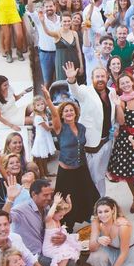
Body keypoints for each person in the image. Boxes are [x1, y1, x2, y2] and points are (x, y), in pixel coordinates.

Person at [42, 86, 99, 231]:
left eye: (71, 110)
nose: (69, 112)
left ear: (75, 113)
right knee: (65, 200)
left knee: (90, 195)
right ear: (62, 114)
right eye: (66, 111)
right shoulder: (60, 127)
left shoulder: (81, 128)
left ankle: (93, 219)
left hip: (81, 168)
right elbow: (54, 115)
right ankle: (67, 225)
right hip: (66, 172)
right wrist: (48, 99)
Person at [6, 179, 79, 266]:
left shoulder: (47, 209)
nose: (49, 198)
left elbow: (57, 224)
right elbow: (4, 218)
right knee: (69, 262)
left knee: (72, 254)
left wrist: (63, 237)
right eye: (45, 195)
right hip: (33, 256)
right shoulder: (21, 210)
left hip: (48, 251)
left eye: (50, 195)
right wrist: (10, 199)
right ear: (34, 194)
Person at [64, 62, 116, 197]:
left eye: (103, 76)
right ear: (92, 78)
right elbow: (75, 91)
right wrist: (71, 80)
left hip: (107, 141)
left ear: (107, 77)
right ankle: (93, 203)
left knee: (100, 174)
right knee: (92, 176)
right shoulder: (86, 91)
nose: (100, 79)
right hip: (91, 144)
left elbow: (113, 115)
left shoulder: (112, 92)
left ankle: (101, 201)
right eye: (97, 76)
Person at [106, 73, 134, 213]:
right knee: (129, 172)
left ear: (132, 82)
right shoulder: (120, 101)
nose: (125, 85)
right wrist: (118, 106)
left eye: (127, 82)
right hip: (127, 139)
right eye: (122, 83)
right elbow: (121, 122)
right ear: (119, 87)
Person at [88, 197, 134, 266]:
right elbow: (92, 248)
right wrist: (97, 240)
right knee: (95, 256)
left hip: (128, 256)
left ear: (113, 210)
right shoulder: (96, 222)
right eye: (100, 212)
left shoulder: (122, 226)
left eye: (106, 211)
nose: (103, 215)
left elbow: (124, 253)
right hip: (111, 251)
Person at [42, 193, 81, 266]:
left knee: (71, 251)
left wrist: (69, 203)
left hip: (57, 245)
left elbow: (67, 210)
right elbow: (49, 216)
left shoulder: (57, 219)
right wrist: (55, 203)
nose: (62, 217)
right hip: (50, 247)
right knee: (65, 254)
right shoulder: (50, 221)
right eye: (60, 215)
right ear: (54, 212)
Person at [39, 11, 83, 82]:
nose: (67, 23)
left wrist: (81, 66)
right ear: (61, 22)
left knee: (75, 85)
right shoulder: (58, 33)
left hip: (75, 63)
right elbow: (48, 32)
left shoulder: (74, 33)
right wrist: (43, 22)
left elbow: (78, 51)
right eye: (64, 21)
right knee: (63, 85)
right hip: (62, 64)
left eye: (69, 21)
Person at [30, 95, 56, 179]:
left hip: (45, 138)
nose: (40, 106)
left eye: (42, 104)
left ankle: (47, 172)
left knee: (45, 158)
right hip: (41, 140)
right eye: (38, 105)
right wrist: (56, 126)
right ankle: (42, 175)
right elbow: (47, 128)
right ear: (34, 107)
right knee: (40, 159)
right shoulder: (38, 117)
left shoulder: (44, 114)